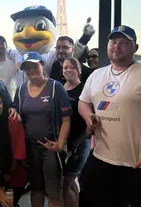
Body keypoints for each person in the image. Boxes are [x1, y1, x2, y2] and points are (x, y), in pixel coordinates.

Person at [78, 25, 141, 207]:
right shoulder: (96, 75)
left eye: (124, 42)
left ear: (135, 48)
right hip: (102, 160)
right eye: (113, 42)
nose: (117, 46)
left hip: (140, 165)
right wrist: (88, 115)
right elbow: (83, 102)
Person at [14, 52, 72, 207]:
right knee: (36, 188)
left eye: (34, 66)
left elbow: (66, 120)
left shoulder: (55, 87)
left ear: (42, 64)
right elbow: (17, 117)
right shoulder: (20, 90)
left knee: (53, 192)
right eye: (27, 68)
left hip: (50, 148)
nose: (31, 70)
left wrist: (60, 144)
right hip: (29, 148)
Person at [62, 58, 90, 207]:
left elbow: (91, 124)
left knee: (66, 184)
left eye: (71, 67)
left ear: (79, 70)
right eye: (65, 67)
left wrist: (78, 143)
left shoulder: (85, 91)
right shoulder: (59, 88)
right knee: (70, 183)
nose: (67, 70)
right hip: (62, 143)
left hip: (78, 144)